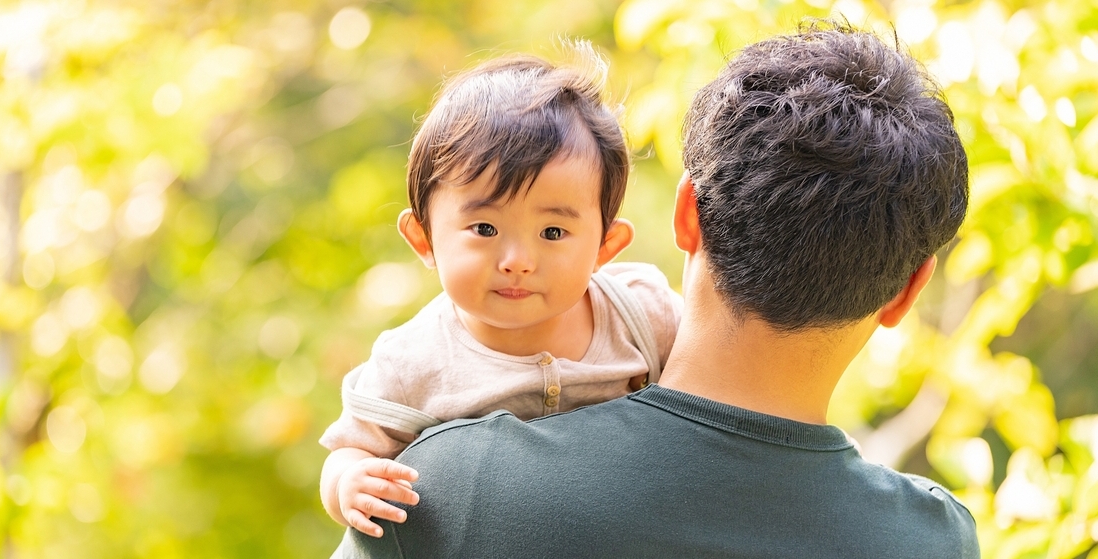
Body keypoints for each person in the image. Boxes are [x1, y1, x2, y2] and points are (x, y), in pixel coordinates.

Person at [336, 20, 980, 558]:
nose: (517, 261)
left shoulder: (435, 493)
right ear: (907, 290)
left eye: (553, 230)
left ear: (686, 217)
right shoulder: (930, 540)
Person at [318, 44, 683, 539]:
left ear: (605, 246)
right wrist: (349, 483)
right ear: (424, 238)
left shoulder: (640, 316)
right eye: (485, 229)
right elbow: (350, 451)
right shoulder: (412, 362)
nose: (517, 261)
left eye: (553, 233)